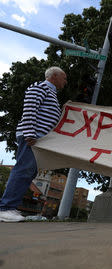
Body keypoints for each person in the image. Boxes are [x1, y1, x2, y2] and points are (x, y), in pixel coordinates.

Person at [0, 67, 67, 222]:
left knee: (28, 172)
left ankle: (10, 207)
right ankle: (5, 208)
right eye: (64, 78)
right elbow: (30, 109)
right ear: (54, 76)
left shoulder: (51, 94)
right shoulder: (40, 87)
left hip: (38, 139)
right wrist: (30, 133)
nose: (65, 82)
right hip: (32, 137)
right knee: (23, 170)